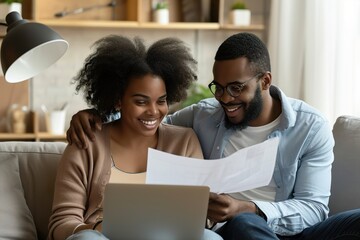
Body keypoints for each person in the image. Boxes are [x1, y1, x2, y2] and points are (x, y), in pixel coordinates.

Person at [65, 32, 360, 239]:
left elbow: (314, 208)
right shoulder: (205, 115)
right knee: (244, 224)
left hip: (292, 230)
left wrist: (251, 208)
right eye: (218, 87)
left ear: (265, 81)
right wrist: (96, 116)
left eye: (235, 87)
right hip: (235, 229)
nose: (225, 98)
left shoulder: (310, 127)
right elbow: (147, 119)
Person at [47, 35, 223, 240]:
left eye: (161, 101)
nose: (154, 111)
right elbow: (62, 223)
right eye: (141, 102)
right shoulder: (86, 143)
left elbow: (198, 214)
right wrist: (96, 229)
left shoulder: (185, 142)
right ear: (118, 100)